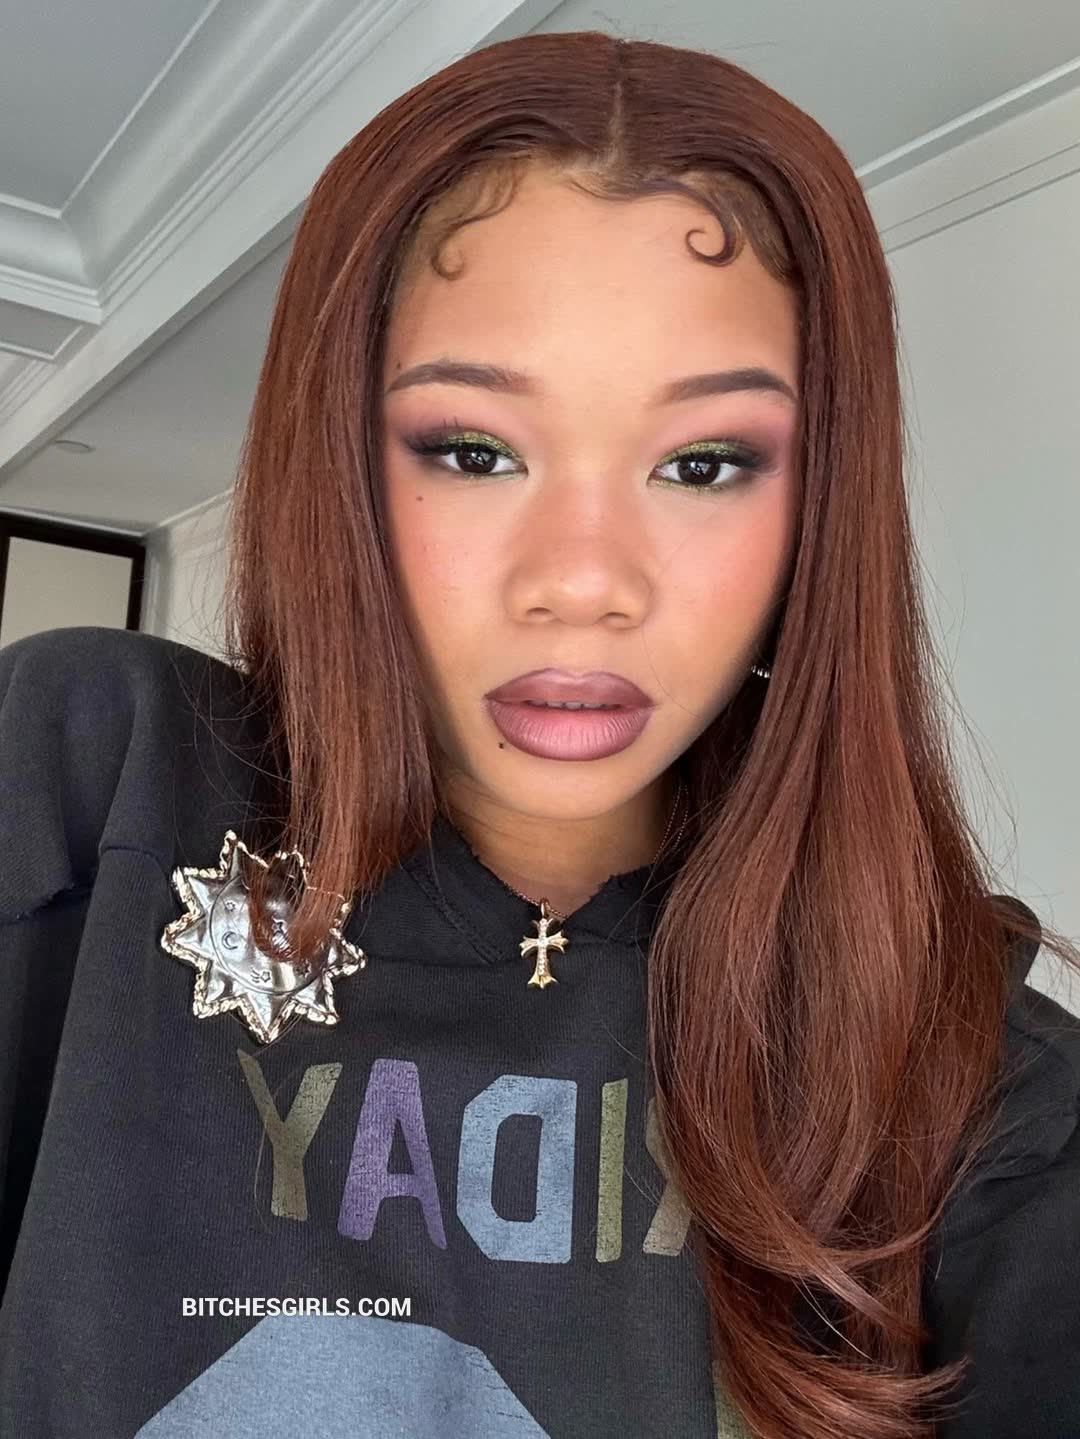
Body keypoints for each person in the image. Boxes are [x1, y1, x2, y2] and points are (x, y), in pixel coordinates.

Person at [1, 28, 1078, 1439]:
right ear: (341, 461)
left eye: (704, 463)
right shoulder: (96, 782)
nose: (582, 579)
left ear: (821, 506)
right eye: (474, 450)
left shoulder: (965, 1070)